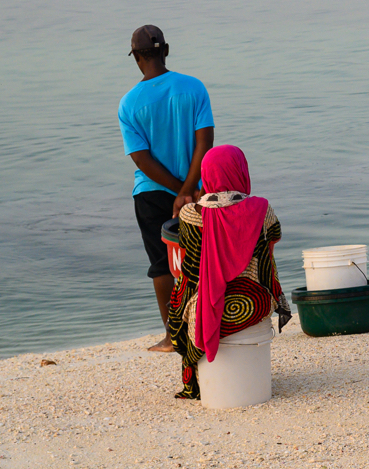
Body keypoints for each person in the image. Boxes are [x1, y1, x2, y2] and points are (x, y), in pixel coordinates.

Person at [117, 25, 214, 353]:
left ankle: (174, 336)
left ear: (136, 58)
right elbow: (205, 141)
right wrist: (188, 189)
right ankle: (210, 323)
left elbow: (141, 158)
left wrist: (175, 190)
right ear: (166, 50)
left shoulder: (129, 103)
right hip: (198, 189)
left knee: (161, 263)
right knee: (203, 258)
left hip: (151, 193)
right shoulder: (193, 87)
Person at [168, 145, 291, 400]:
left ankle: (195, 380)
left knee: (181, 295)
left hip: (204, 306)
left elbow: (191, 268)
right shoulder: (262, 209)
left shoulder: (190, 214)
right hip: (255, 301)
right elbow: (270, 253)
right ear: (241, 170)